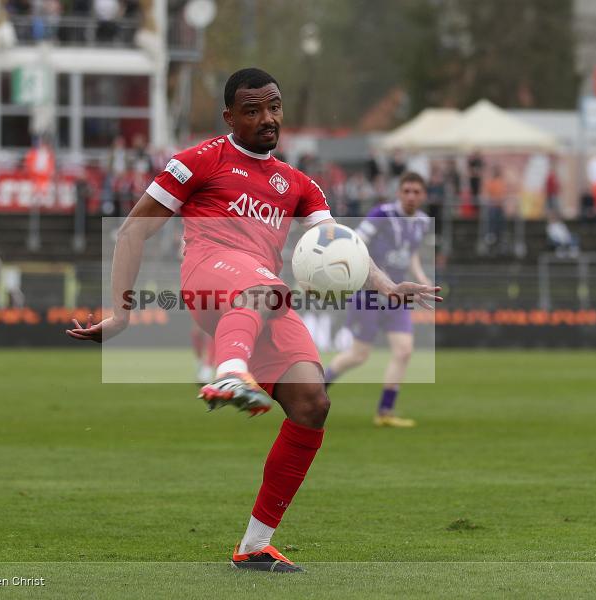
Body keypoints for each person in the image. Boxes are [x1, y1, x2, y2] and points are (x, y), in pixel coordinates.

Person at [66, 68, 441, 572]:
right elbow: (132, 232)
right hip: (208, 277)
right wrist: (122, 313)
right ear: (229, 116)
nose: (268, 118)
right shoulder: (197, 161)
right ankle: (230, 372)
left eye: (274, 107)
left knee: (313, 401)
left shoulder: (299, 184)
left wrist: (388, 286)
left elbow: (340, 247)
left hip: (262, 297)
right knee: (262, 286)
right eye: (253, 109)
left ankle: (254, 545)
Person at [323, 172, 432, 428]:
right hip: (369, 293)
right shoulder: (381, 214)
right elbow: (355, 242)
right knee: (359, 355)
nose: (411, 196)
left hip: (397, 295)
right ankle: (317, 388)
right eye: (407, 191)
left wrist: (420, 277)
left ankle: (385, 411)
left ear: (424, 195)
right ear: (399, 192)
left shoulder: (423, 221)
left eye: (416, 192)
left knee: (404, 351)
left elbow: (411, 253)